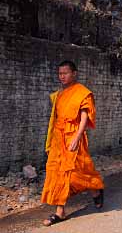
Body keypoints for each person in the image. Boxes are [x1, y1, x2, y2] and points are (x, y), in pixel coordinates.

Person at [41, 61, 104, 226]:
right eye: (60, 73)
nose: (62, 76)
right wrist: (51, 141)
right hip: (59, 138)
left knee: (79, 171)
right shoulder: (60, 95)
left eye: (65, 73)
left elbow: (84, 117)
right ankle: (60, 212)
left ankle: (96, 190)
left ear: (74, 73)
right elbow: (54, 119)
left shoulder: (82, 93)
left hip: (74, 136)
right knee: (56, 172)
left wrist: (77, 137)